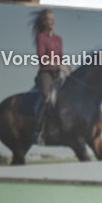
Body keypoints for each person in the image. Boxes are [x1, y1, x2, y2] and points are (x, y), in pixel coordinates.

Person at [30, 9, 70, 146]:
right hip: (46, 73)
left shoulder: (59, 39)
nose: (52, 21)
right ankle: (37, 131)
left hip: (57, 73)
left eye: (53, 19)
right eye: (48, 19)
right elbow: (42, 58)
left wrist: (69, 68)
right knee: (46, 96)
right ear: (44, 22)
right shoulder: (41, 37)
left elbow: (61, 58)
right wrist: (58, 66)